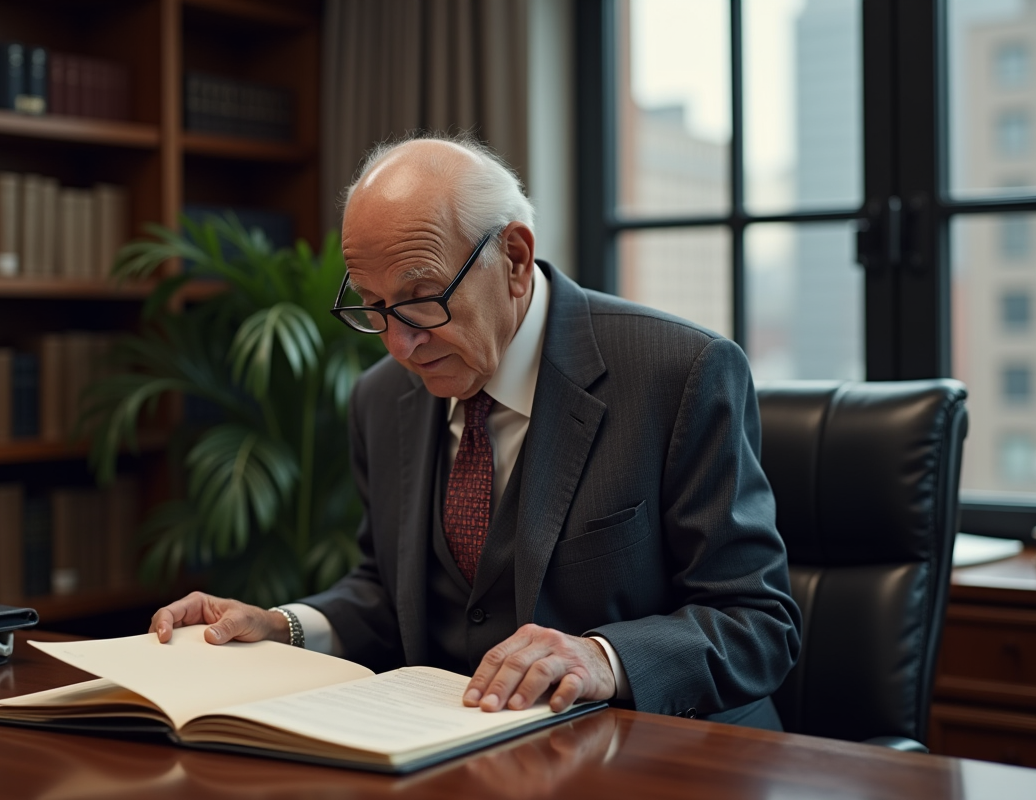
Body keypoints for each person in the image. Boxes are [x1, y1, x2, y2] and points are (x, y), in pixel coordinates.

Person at [151, 134, 801, 729]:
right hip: (447, 756)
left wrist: (603, 658)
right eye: (373, 308)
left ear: (514, 259)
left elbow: (758, 624)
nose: (400, 344)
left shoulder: (679, 373)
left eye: (422, 298)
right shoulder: (382, 398)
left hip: (654, 760)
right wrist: (285, 627)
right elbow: (386, 592)